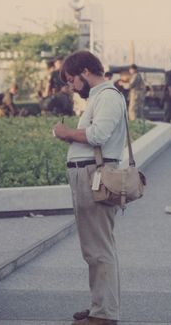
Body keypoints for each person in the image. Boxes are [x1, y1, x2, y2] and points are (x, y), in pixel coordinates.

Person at [53, 51, 126, 325]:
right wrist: (71, 136)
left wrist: (66, 133)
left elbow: (97, 135)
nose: (72, 86)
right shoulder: (99, 96)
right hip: (88, 175)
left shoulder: (107, 96)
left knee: (98, 248)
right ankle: (101, 307)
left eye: (73, 80)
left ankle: (104, 315)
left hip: (94, 176)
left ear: (85, 71)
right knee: (95, 247)